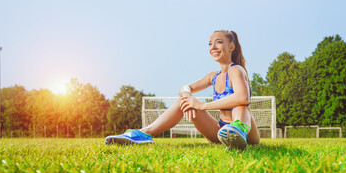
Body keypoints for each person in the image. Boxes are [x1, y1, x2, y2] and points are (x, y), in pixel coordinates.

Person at [105, 30, 260, 150]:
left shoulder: (236, 70)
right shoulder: (213, 76)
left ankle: (238, 131)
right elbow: (185, 88)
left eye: (218, 42)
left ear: (231, 47)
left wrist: (202, 106)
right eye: (210, 44)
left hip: (246, 132)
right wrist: (187, 97)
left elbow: (243, 98)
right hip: (221, 132)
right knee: (183, 100)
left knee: (240, 106)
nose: (213, 47)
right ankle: (143, 133)